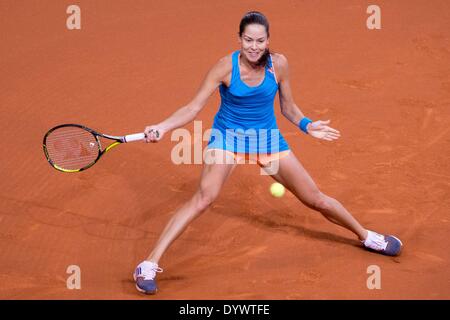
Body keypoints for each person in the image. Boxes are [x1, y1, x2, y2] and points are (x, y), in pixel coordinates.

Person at [133, 11, 403, 295]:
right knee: (204, 198)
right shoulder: (225, 67)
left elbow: (288, 107)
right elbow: (192, 107)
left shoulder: (279, 65)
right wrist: (163, 127)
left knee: (316, 199)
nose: (253, 46)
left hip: (267, 141)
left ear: (268, 40)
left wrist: (307, 125)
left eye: (259, 40)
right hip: (228, 139)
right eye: (248, 40)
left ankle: (368, 237)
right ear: (239, 39)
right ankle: (148, 264)